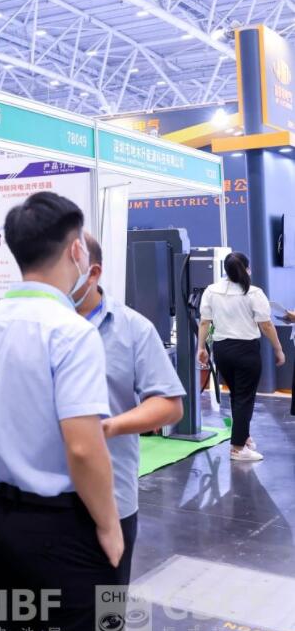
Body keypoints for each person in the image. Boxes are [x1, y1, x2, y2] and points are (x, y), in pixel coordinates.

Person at [0, 192, 121, 631]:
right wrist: (109, 526)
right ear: (76, 250)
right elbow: (82, 447)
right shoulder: (73, 333)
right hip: (67, 528)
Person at [73, 233, 185, 583]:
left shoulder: (132, 328)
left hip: (111, 500)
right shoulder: (29, 328)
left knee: (104, 611)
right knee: (29, 609)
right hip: (36, 504)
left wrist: (111, 427)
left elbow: (169, 404)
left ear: (93, 273)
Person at [198, 251, 285, 461]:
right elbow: (266, 325)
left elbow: (204, 322)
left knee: (237, 395)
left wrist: (201, 347)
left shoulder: (211, 290)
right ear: (247, 269)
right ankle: (237, 448)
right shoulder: (254, 293)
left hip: (222, 350)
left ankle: (243, 436)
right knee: (244, 398)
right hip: (246, 351)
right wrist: (278, 349)